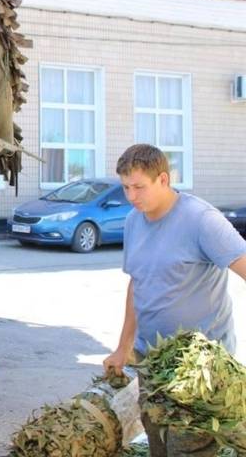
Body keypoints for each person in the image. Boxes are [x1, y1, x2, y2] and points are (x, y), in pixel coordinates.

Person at [103, 143, 246, 456]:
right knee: (158, 445)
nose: (131, 197)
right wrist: (123, 348)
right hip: (151, 361)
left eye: (139, 187)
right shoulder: (133, 221)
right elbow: (137, 284)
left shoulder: (202, 220)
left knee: (189, 450)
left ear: (163, 180)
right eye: (125, 187)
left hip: (198, 369)